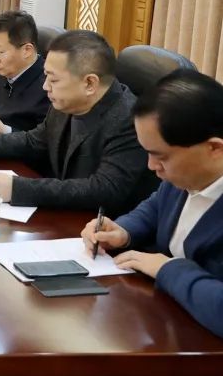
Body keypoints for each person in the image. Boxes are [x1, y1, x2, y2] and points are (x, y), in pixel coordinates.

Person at [0, 30, 157, 214]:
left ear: (90, 83)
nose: (45, 86)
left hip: (102, 231)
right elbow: (33, 141)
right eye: (46, 76)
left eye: (53, 79)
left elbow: (104, 190)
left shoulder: (129, 119)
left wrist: (16, 188)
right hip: (65, 215)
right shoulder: (66, 102)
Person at [82, 69, 223, 338]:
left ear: (214, 148)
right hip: (165, 322)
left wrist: (167, 269)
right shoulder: (184, 176)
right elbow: (156, 206)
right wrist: (123, 231)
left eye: (161, 156)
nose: (151, 166)